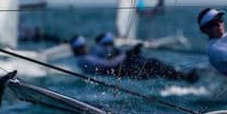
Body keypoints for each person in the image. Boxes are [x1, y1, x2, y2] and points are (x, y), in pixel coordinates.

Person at [70, 33, 198, 82]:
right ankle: (183, 77)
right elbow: (107, 64)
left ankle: (182, 76)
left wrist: (131, 52)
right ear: (78, 48)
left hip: (119, 70)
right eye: (82, 46)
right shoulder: (85, 59)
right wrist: (127, 54)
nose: (85, 47)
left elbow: (111, 58)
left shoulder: (89, 55)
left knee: (152, 63)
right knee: (152, 66)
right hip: (116, 73)